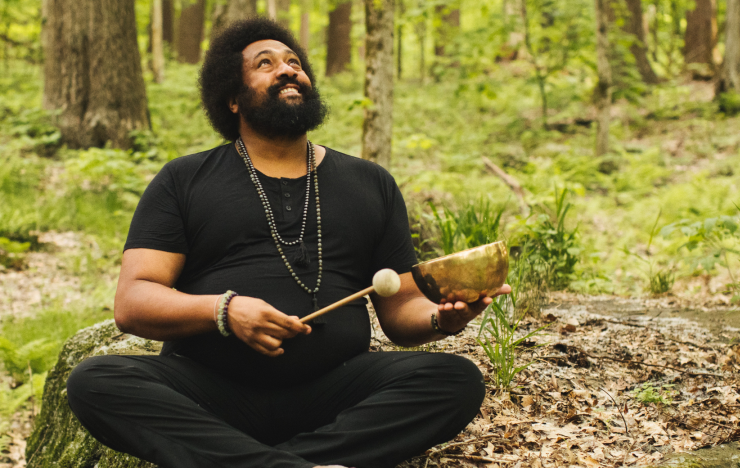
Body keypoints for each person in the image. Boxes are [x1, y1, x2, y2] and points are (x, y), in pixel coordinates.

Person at [66, 17, 510, 468]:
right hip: (212, 394)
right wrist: (225, 310)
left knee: (455, 380)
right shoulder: (183, 180)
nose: (288, 70)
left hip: (335, 392)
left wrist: (443, 319)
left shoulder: (370, 183)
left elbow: (399, 312)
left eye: (294, 62)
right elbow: (133, 301)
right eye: (266, 63)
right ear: (233, 98)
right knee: (96, 380)